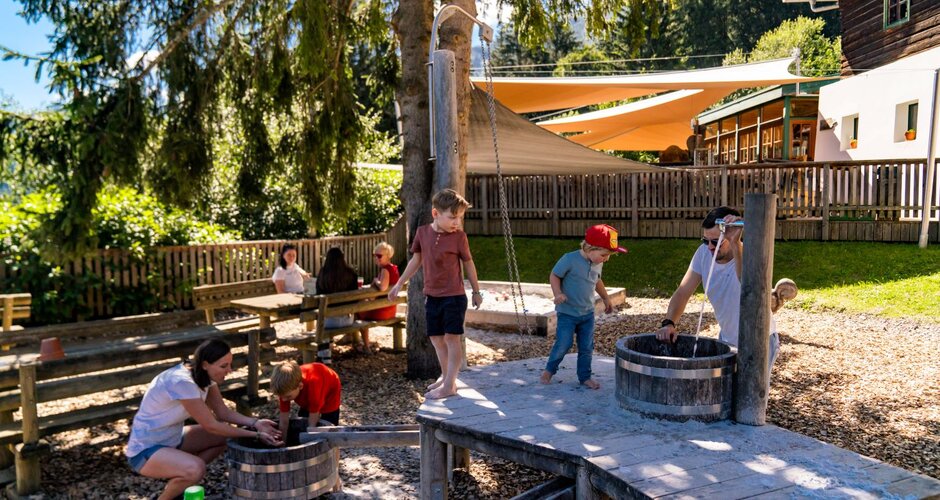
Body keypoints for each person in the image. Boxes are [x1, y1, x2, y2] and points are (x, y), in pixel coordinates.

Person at [126, 339, 282, 500]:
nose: (229, 370)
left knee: (222, 438)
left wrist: (256, 423)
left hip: (172, 439)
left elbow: (223, 413)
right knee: (196, 468)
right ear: (205, 364)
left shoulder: (204, 376)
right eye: (224, 366)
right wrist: (255, 435)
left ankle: (183, 480)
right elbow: (211, 425)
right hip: (144, 450)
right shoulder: (182, 382)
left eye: (229, 364)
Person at [654, 206, 784, 367]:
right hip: (726, 339)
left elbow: (747, 285)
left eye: (716, 242)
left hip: (759, 339)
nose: (709, 247)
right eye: (705, 240)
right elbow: (683, 292)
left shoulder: (748, 254)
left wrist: (736, 243)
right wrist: (669, 323)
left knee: (751, 392)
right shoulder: (703, 253)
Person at [387, 189, 482, 400]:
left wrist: (476, 291)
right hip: (432, 296)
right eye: (452, 217)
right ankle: (446, 375)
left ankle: (450, 385)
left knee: (451, 338)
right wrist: (399, 284)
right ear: (435, 214)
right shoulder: (422, 233)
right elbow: (415, 261)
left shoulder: (459, 237)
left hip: (454, 296)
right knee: (436, 338)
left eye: (459, 217)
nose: (456, 222)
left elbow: (469, 264)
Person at [540, 224, 626, 389]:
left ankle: (585, 377)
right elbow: (554, 275)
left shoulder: (597, 262)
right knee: (563, 344)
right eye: (604, 255)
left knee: (587, 347)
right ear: (590, 248)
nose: (606, 259)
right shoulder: (569, 259)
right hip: (567, 313)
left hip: (587, 314)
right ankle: (549, 370)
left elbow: (597, 280)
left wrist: (606, 298)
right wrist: (558, 294)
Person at [269, 359, 343, 493]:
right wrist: (281, 447)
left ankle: (334, 474)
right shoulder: (285, 389)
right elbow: (284, 422)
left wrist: (308, 446)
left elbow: (311, 427)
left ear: (300, 386)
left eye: (287, 397)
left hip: (329, 390)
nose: (284, 400)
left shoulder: (313, 386)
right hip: (306, 394)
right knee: (301, 421)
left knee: (331, 436)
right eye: (282, 397)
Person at [356, 242, 400, 354]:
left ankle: (365, 345)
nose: (376, 258)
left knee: (358, 309)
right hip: (390, 308)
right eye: (375, 255)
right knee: (361, 306)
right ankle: (360, 343)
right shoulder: (394, 268)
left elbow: (383, 288)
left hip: (383, 311)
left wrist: (376, 281)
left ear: (388, 256)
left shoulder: (385, 270)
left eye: (379, 256)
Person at [316, 247, 359, 328]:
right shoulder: (351, 274)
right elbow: (355, 299)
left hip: (328, 321)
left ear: (327, 259)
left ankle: (327, 339)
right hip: (347, 320)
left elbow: (318, 295)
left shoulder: (323, 274)